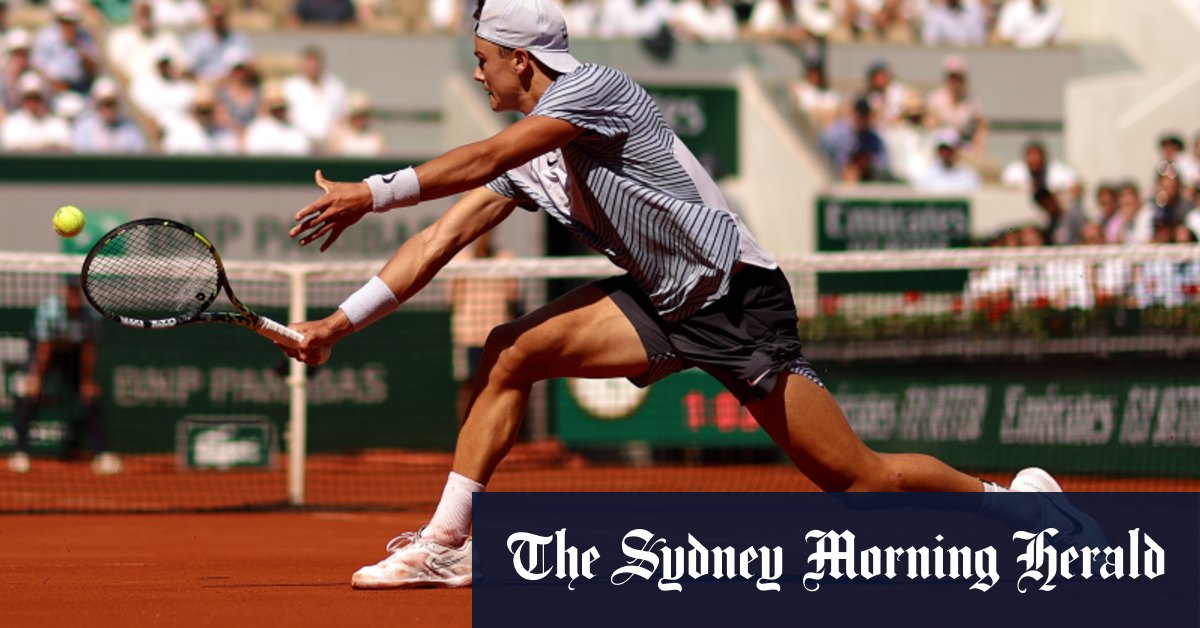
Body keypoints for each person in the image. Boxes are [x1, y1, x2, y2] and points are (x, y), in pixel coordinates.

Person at [281, 0, 1077, 589]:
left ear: (523, 60)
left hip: (736, 300)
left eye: (485, 57)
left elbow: (491, 152)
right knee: (507, 352)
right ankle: (449, 543)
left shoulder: (596, 92)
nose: (478, 71)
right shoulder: (524, 154)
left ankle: (1011, 504)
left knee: (857, 478)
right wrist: (336, 326)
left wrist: (373, 191)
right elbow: (438, 242)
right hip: (660, 302)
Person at [8, 277, 122, 475]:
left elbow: (88, 351)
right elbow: (44, 349)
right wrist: (36, 378)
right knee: (28, 395)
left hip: (73, 355)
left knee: (91, 397)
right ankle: (20, 452)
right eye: (69, 291)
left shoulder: (90, 315)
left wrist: (87, 381)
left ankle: (103, 453)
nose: (72, 296)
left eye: (75, 291)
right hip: (47, 353)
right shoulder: (49, 311)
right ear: (63, 292)